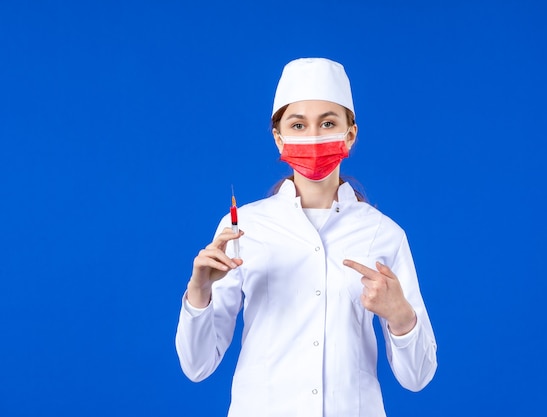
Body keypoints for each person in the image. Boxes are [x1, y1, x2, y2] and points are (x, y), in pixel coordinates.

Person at [175, 57, 437, 417]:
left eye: (328, 123)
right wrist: (199, 292)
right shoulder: (243, 228)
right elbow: (197, 366)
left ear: (350, 134)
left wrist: (401, 317)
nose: (313, 137)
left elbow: (418, 377)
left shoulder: (383, 233)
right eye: (298, 125)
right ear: (278, 138)